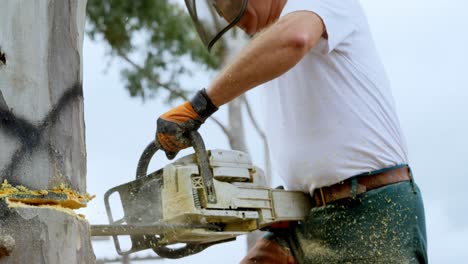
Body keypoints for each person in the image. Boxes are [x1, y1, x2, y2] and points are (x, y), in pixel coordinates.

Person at [156, 0, 428, 263]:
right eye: (221, 11)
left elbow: (296, 36)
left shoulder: (317, 8)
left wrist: (201, 105)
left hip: (371, 211)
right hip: (307, 218)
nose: (231, 19)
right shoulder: (271, 50)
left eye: (230, 5)